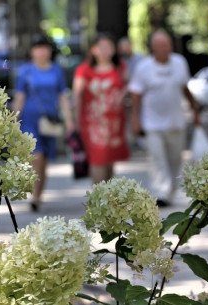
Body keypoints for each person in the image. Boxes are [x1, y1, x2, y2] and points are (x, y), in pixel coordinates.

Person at [128, 30, 201, 207]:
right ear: (152, 48)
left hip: (176, 122)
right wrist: (135, 120)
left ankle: (170, 192)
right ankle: (161, 192)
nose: (165, 48)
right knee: (157, 159)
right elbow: (135, 96)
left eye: (167, 44)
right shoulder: (143, 67)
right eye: (161, 45)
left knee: (175, 160)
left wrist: (194, 109)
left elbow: (185, 87)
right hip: (152, 124)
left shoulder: (179, 63)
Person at [12, 34, 74, 212]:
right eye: (38, 48)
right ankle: (34, 194)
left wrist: (69, 120)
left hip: (50, 121)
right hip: (30, 120)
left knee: (44, 160)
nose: (41, 51)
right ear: (32, 51)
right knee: (36, 155)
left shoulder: (56, 71)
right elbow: (20, 96)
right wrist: (14, 120)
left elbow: (62, 96)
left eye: (44, 48)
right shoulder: (26, 71)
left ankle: (38, 195)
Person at [72, 33, 130, 185]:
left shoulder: (121, 67)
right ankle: (99, 197)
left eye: (108, 47)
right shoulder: (84, 70)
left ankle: (109, 199)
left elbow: (130, 86)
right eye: (101, 47)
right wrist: (75, 122)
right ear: (93, 50)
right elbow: (77, 96)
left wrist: (121, 96)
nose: (105, 51)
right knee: (98, 159)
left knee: (110, 160)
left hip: (114, 122)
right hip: (92, 123)